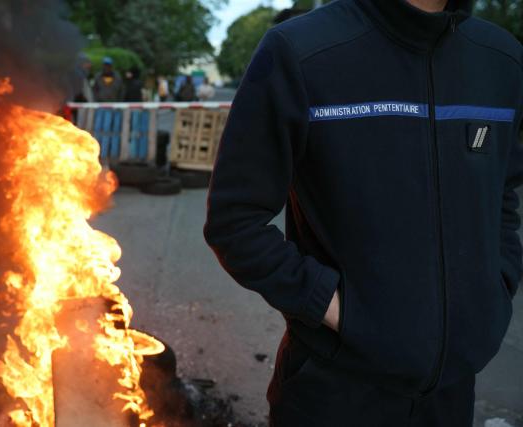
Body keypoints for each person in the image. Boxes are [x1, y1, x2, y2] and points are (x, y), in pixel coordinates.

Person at [204, 1, 523, 426]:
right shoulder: (301, 50)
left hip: (452, 394)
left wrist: (496, 288)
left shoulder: (501, 58)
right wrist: (339, 311)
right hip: (333, 393)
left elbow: (502, 191)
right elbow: (235, 221)